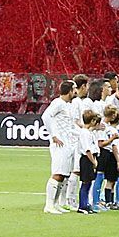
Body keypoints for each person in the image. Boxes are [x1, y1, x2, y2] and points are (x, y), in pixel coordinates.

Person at [41, 80, 80, 214]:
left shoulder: (68, 105)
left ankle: (56, 204)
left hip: (68, 144)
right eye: (74, 89)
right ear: (69, 90)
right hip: (60, 144)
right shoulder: (57, 103)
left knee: (64, 175)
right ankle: (49, 205)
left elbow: (69, 126)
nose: (76, 91)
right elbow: (46, 116)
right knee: (57, 174)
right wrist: (54, 135)